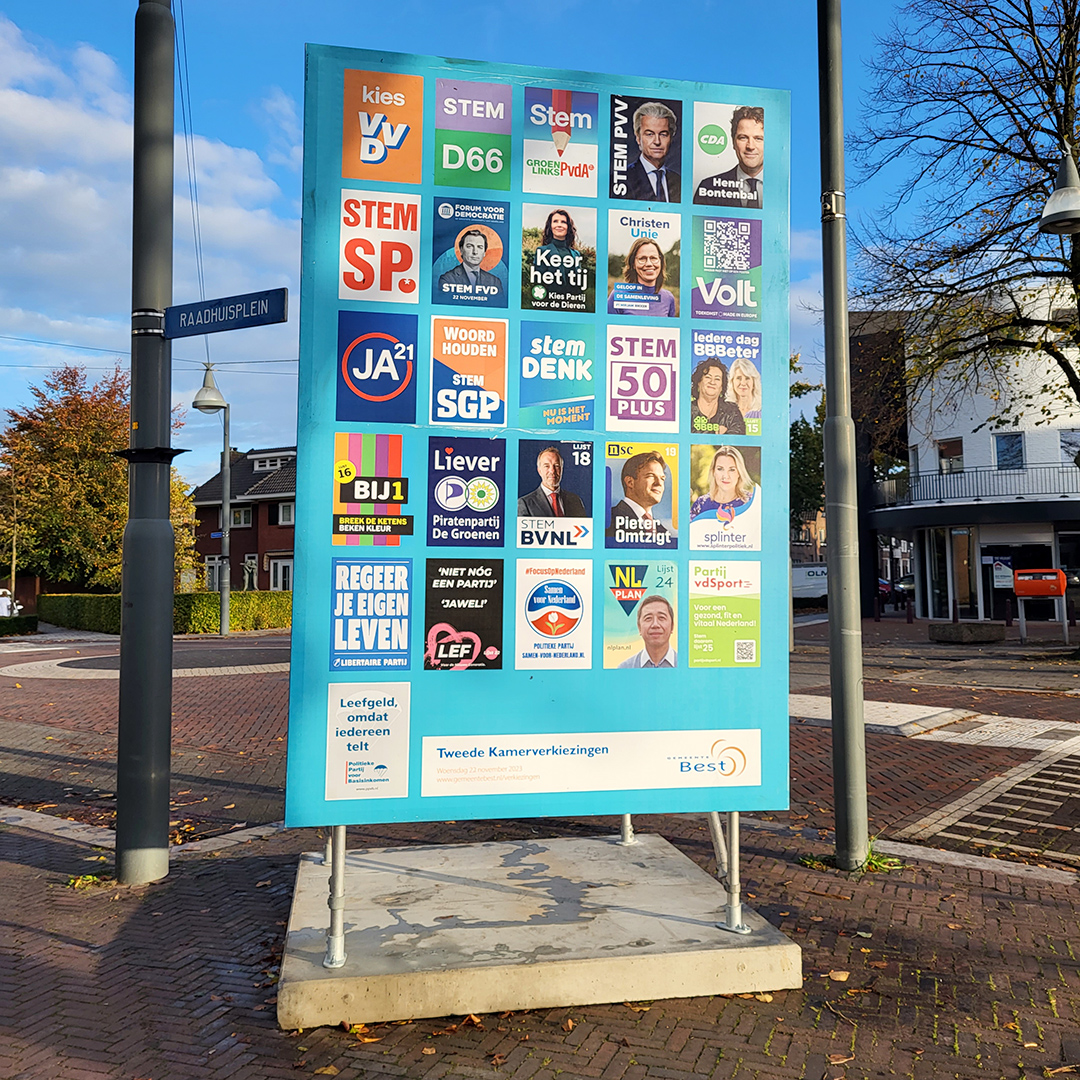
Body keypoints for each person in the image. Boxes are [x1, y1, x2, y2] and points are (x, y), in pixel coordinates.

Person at [694, 105, 764, 209]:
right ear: (733, 142)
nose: (750, 146)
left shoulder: (783, 189)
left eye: (758, 138)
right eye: (743, 138)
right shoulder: (708, 188)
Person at [606, 450, 672, 545]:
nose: (659, 483)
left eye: (662, 478)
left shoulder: (664, 532)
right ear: (630, 482)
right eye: (651, 476)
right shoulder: (608, 521)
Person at [624, 102, 680, 202]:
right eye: (650, 134)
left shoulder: (679, 182)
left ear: (671, 138)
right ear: (638, 138)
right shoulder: (622, 179)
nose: (657, 141)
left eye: (663, 134)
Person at [607, 237, 677, 317]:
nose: (649, 264)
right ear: (633, 264)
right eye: (642, 259)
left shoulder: (668, 298)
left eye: (653, 258)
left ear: (660, 261)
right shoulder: (618, 295)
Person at [690, 446, 758, 523]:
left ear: (739, 472)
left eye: (732, 470)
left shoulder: (751, 503)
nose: (725, 476)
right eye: (720, 469)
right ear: (713, 471)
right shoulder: (701, 504)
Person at [518, 445, 587, 517]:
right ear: (539, 471)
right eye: (546, 466)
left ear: (561, 469)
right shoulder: (525, 503)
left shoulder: (575, 500)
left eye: (556, 466)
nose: (552, 471)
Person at [437, 228, 504, 299]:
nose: (475, 252)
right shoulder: (448, 279)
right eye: (470, 246)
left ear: (484, 252)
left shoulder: (494, 282)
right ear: (461, 250)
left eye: (479, 247)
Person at [617, 594, 677, 668]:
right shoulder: (625, 668)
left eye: (661, 618)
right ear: (639, 627)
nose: (655, 625)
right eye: (648, 618)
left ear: (672, 626)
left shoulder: (687, 666)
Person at [690, 359, 746, 434]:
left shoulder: (732, 411)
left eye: (717, 379)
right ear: (698, 382)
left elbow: (738, 440)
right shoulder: (686, 410)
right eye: (708, 377)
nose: (712, 382)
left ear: (722, 387)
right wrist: (717, 436)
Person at [726, 356, 762, 422]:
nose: (743, 383)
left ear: (754, 382)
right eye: (738, 378)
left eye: (747, 378)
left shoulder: (762, 411)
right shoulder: (725, 410)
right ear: (732, 382)